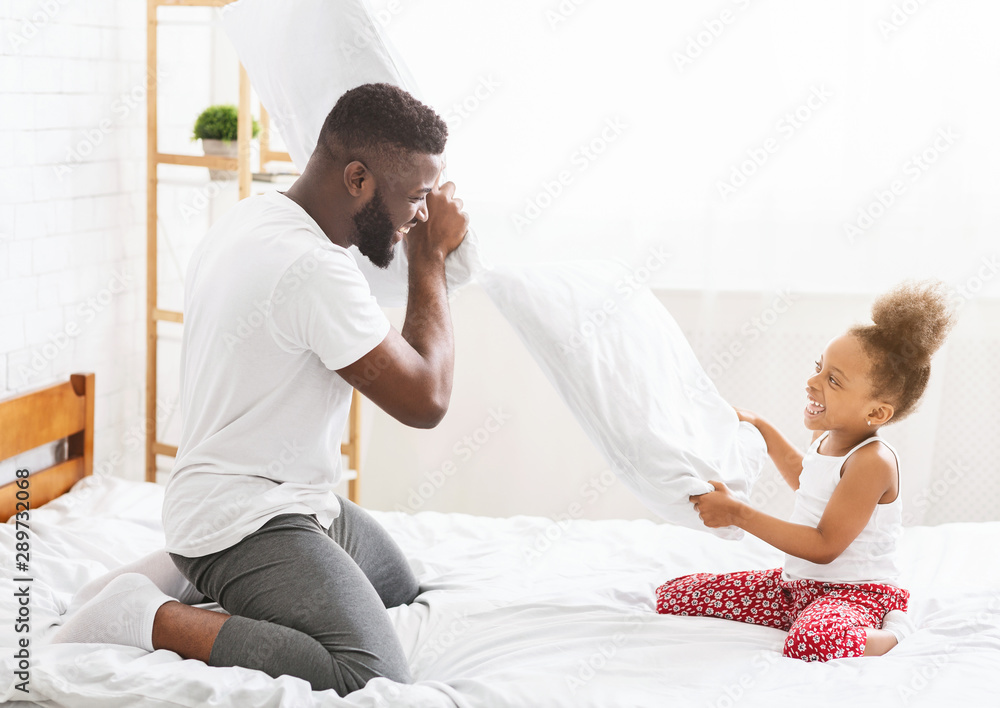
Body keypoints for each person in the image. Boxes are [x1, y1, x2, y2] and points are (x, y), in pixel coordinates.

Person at [53, 83, 470, 695]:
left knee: (397, 591)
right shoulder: (314, 269)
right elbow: (426, 401)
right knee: (368, 673)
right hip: (244, 517)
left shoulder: (256, 214)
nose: (420, 217)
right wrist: (429, 263)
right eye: (415, 197)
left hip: (284, 497)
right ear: (358, 179)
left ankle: (182, 572)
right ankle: (148, 616)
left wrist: (421, 238)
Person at [655, 280, 956, 662]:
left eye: (833, 380)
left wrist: (737, 513)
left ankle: (892, 632)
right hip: (796, 588)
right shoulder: (831, 439)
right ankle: (810, 615)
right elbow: (806, 478)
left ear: (876, 413)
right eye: (819, 368)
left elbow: (824, 545)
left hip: (854, 593)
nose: (812, 382)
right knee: (674, 595)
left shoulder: (872, 461)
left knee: (810, 644)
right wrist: (762, 428)